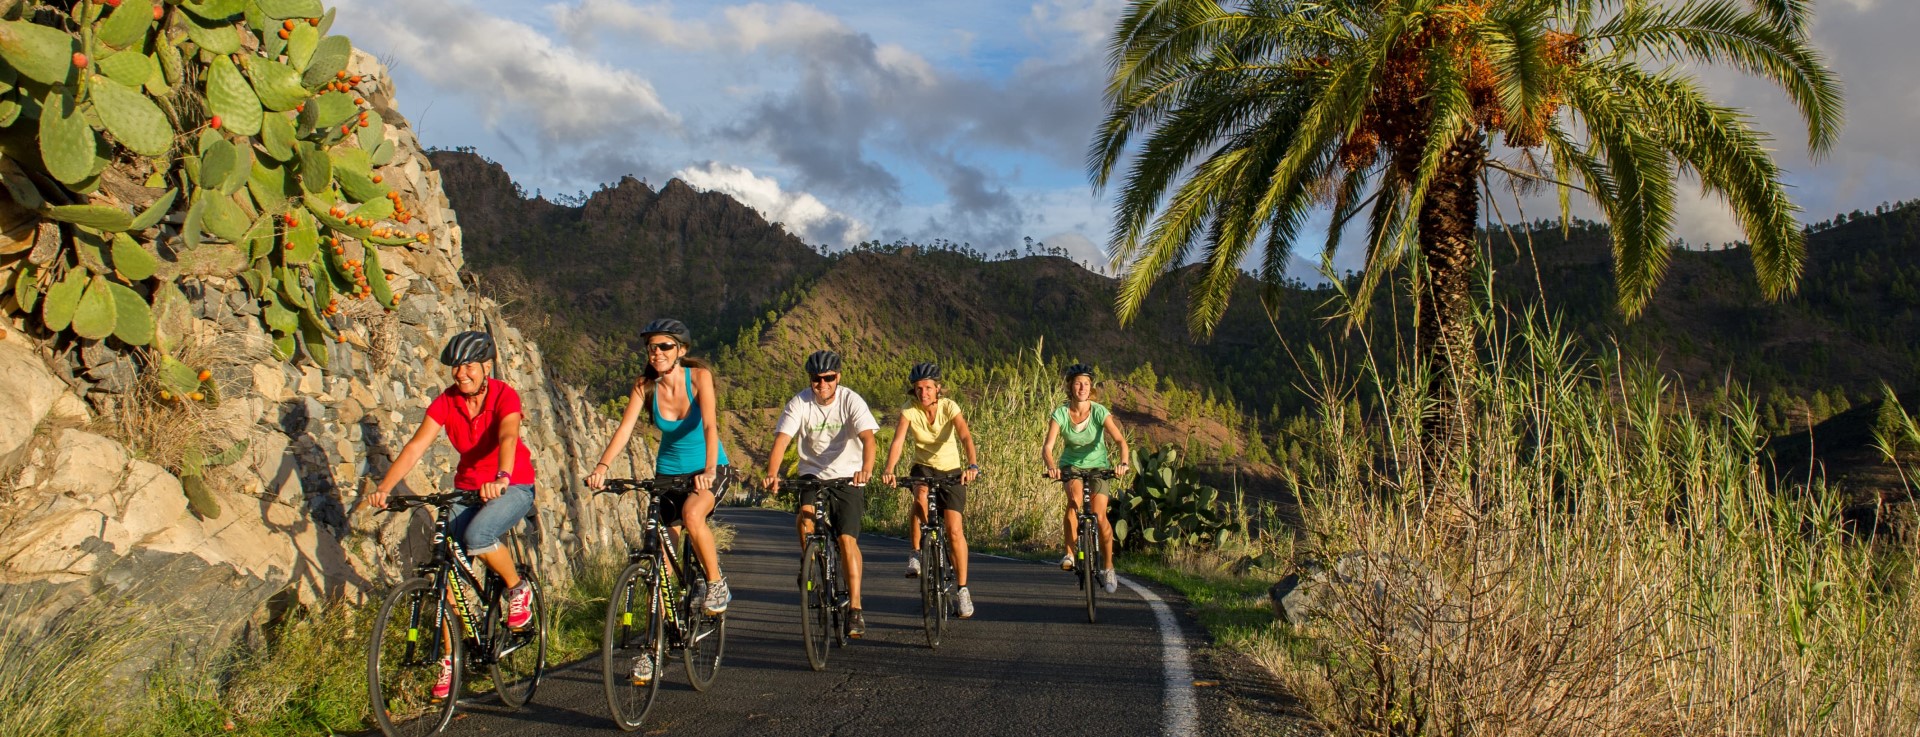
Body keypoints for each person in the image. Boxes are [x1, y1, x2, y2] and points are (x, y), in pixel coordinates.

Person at [363, 330, 538, 700]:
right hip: (467, 488)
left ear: (486, 366)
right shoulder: (447, 401)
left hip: (513, 483)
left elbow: (508, 436)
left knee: (478, 537)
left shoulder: (504, 395)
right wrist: (385, 488)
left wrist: (502, 476)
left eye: (469, 366)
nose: (461, 374)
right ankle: (450, 657)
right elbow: (415, 447)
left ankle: (517, 588)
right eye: (457, 367)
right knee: (443, 568)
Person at [585, 319, 735, 683]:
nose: (657, 353)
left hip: (708, 468)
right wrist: (603, 466)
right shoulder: (644, 387)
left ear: (681, 350)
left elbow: (712, 426)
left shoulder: (698, 378)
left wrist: (710, 470)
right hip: (666, 475)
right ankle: (652, 652)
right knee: (661, 565)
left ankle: (716, 583)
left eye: (665, 346)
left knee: (692, 514)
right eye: (652, 347)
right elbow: (625, 430)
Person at [762, 350, 879, 638]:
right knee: (805, 520)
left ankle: (855, 609)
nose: (822, 384)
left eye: (829, 378)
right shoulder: (799, 403)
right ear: (810, 380)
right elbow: (782, 440)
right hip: (812, 474)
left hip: (848, 475)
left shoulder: (851, 400)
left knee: (846, 540)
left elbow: (868, 438)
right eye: (817, 379)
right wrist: (772, 473)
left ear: (838, 377)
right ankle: (810, 564)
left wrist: (866, 468)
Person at [880, 361, 981, 618]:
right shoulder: (909, 410)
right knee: (920, 494)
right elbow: (899, 440)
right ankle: (915, 553)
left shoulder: (949, 407)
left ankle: (962, 589)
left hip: (952, 471)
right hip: (923, 468)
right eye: (918, 388)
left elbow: (965, 436)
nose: (922, 393)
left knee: (954, 531)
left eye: (927, 388)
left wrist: (972, 465)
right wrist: (889, 469)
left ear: (938, 389)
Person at [1040, 363, 1131, 594]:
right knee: (1074, 501)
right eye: (1078, 383)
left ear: (1091, 388)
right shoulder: (1060, 413)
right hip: (1071, 466)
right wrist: (1052, 467)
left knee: (1100, 516)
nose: (1082, 387)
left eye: (1086, 384)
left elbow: (1121, 441)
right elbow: (1048, 447)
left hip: (1099, 467)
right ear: (1070, 386)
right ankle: (1069, 554)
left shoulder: (1099, 411)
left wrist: (1123, 464)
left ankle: (1108, 567)